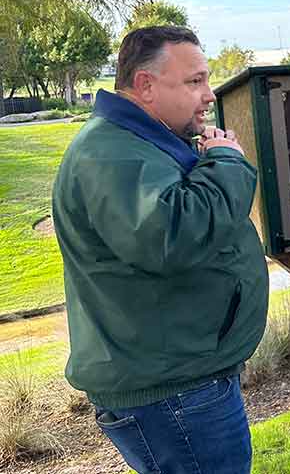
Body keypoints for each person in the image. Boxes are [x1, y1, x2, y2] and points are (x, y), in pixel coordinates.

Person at [52, 26, 268, 474]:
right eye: (194, 82)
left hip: (180, 376)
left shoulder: (139, 143)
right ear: (145, 86)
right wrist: (226, 160)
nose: (209, 95)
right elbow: (175, 236)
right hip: (173, 391)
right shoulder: (110, 154)